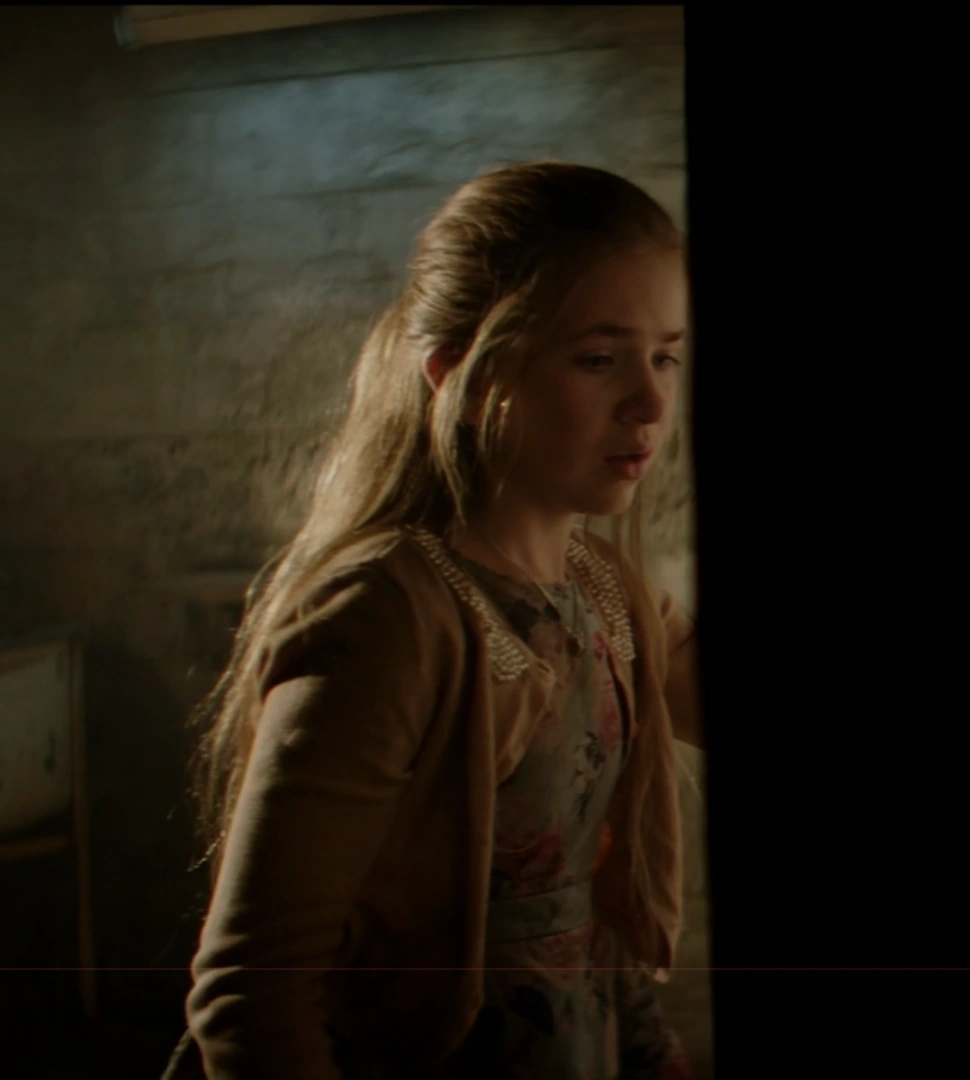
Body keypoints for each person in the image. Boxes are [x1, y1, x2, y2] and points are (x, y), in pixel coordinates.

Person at [161, 162, 702, 1080]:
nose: (650, 404)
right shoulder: (387, 613)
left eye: (666, 356)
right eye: (598, 358)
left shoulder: (603, 584)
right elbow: (253, 994)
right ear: (464, 377)